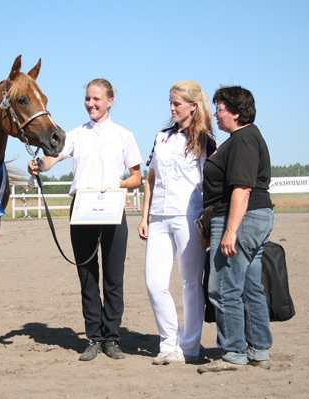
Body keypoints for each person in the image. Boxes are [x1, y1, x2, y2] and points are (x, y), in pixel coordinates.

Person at [28, 78, 143, 361]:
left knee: (113, 277)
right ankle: (94, 337)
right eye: (88, 99)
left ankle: (112, 338)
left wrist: (119, 185)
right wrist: (38, 165)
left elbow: (137, 177)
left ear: (110, 101)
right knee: (88, 276)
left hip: (113, 210)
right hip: (82, 209)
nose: (91, 104)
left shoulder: (124, 135)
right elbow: (52, 159)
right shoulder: (75, 134)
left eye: (96, 99)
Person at [138, 81, 216, 365]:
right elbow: (151, 178)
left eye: (177, 104)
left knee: (190, 283)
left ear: (192, 106)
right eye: (170, 103)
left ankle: (190, 346)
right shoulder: (162, 137)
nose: (171, 108)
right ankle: (168, 342)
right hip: (158, 217)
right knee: (154, 282)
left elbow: (211, 184)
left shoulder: (205, 140)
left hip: (189, 217)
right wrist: (145, 216)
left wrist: (208, 223)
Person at [197, 86, 274, 373]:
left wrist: (230, 231)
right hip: (256, 217)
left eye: (220, 109)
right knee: (251, 287)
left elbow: (242, 188)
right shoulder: (247, 138)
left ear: (236, 112)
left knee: (224, 288)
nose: (216, 115)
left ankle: (233, 353)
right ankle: (258, 350)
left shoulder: (242, 141)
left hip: (239, 217)